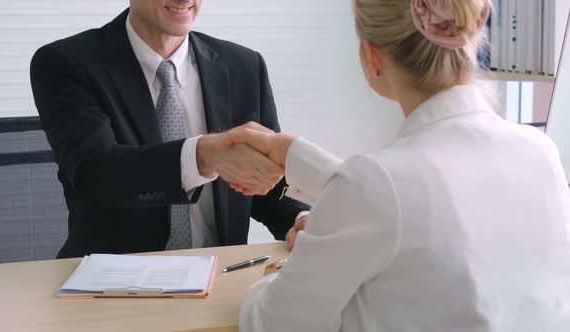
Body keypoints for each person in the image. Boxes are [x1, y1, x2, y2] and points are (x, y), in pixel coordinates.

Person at [233, 0, 570, 330]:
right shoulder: (540, 152)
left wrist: (276, 280)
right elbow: (412, 201)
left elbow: (273, 322)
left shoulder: (377, 185)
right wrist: (296, 156)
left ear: (372, 57)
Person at [29, 0, 309, 258]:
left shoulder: (243, 65)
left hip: (218, 279)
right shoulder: (66, 63)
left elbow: (266, 183)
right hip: (111, 285)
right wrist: (201, 156)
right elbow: (95, 173)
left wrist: (299, 220)